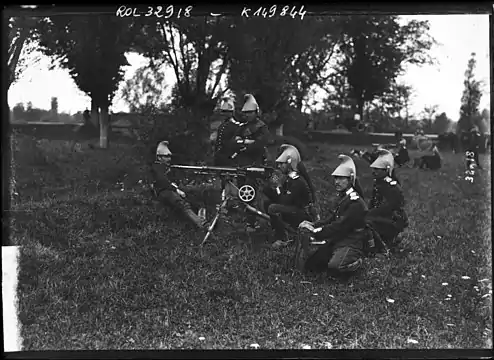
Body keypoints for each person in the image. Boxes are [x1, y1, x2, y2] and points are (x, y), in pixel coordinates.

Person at [298, 155, 369, 281]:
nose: (337, 182)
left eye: (342, 179)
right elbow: (331, 219)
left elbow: (339, 225)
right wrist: (314, 225)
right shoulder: (344, 198)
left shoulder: (355, 203)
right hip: (338, 239)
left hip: (352, 242)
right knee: (312, 266)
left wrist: (315, 232)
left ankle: (357, 262)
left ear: (350, 179)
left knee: (335, 266)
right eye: (336, 178)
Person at [232, 94, 272, 231]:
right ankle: (247, 220)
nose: (247, 115)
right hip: (242, 164)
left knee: (250, 191)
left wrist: (246, 144)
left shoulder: (262, 127)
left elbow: (260, 144)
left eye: (250, 112)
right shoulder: (242, 127)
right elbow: (235, 142)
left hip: (255, 163)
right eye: (246, 113)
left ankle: (252, 222)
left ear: (256, 112)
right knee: (242, 190)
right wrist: (245, 142)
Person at [149, 140, 207, 229]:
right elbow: (163, 181)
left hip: (171, 189)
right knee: (181, 203)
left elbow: (175, 181)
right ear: (159, 157)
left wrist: (182, 188)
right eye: (166, 157)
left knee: (196, 197)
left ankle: (202, 219)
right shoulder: (156, 167)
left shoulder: (168, 167)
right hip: (163, 191)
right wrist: (177, 189)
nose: (169, 159)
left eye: (170, 157)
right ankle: (201, 224)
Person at [263, 145, 312, 249]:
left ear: (290, 163)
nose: (279, 166)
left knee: (273, 208)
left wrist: (277, 187)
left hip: (301, 213)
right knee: (267, 203)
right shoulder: (288, 178)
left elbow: (285, 200)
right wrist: (269, 184)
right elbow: (274, 195)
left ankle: (282, 238)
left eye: (282, 164)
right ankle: (278, 231)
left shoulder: (296, 181)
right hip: (293, 209)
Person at [366, 149, 408, 250]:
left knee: (367, 223)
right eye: (374, 169)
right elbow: (373, 203)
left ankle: (384, 247)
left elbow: (388, 208)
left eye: (377, 169)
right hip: (382, 217)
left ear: (386, 170)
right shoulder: (379, 183)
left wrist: (369, 214)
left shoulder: (391, 186)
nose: (373, 172)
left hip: (393, 220)